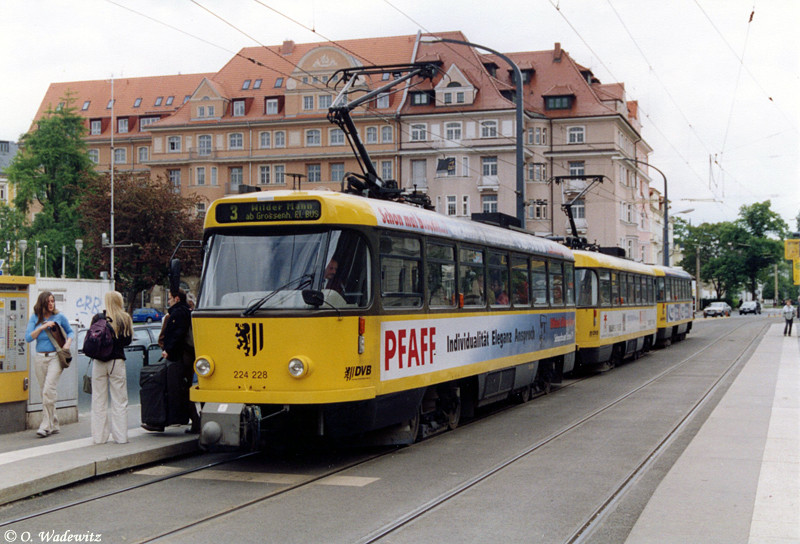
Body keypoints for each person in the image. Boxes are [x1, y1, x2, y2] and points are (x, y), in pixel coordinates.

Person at [147, 288, 199, 433]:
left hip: (181, 357)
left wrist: (168, 350)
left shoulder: (178, 313)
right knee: (182, 388)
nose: (168, 301)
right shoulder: (187, 311)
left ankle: (193, 421)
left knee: (179, 389)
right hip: (185, 356)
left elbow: (177, 334)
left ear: (176, 299)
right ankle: (193, 420)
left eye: (169, 298)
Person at [25, 291, 75, 438]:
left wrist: (67, 344)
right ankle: (54, 422)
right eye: (48, 302)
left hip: (55, 357)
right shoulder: (35, 318)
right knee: (44, 392)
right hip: (40, 358)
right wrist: (41, 327)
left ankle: (45, 425)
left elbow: (70, 332)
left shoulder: (59, 316)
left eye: (53, 301)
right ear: (42, 304)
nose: (51, 304)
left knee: (48, 390)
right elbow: (28, 337)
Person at [90, 291, 133, 444]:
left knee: (98, 399)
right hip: (116, 362)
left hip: (99, 362)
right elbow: (127, 341)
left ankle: (99, 437)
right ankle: (121, 437)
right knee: (119, 400)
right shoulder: (124, 318)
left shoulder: (98, 318)